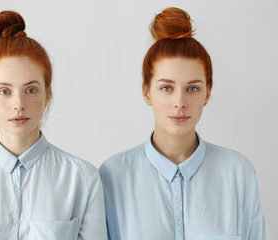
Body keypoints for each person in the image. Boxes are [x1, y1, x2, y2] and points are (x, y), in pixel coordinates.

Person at [0, 10, 107, 240]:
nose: (19, 104)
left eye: (31, 90)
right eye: (4, 91)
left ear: (47, 94)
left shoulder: (82, 179)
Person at [99, 7, 268, 240]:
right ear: (147, 92)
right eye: (166, 88)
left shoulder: (238, 173)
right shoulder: (112, 175)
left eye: (192, 88)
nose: (179, 102)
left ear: (207, 93)